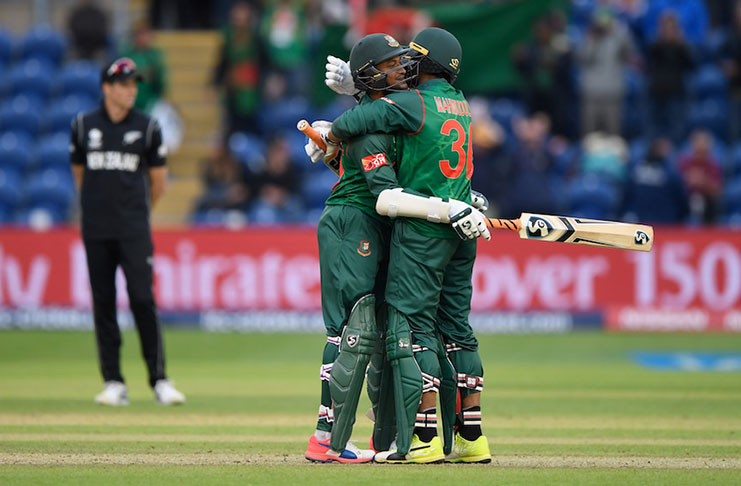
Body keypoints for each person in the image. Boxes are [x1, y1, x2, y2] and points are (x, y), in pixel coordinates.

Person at [304, 33, 489, 464]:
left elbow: (420, 169)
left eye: (402, 62)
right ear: (371, 75)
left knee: (388, 332)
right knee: (355, 327)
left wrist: (462, 195)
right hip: (355, 220)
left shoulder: (398, 115)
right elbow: (383, 191)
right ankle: (325, 437)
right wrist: (448, 207)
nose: (401, 69)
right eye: (389, 65)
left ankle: (385, 439)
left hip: (386, 224)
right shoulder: (378, 120)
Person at [69, 57, 185, 407]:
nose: (132, 90)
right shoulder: (82, 125)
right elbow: (79, 174)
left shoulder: (148, 127)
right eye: (125, 84)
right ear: (107, 88)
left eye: (135, 83)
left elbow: (159, 183)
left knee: (141, 299)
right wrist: (99, 207)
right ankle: (113, 382)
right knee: (103, 303)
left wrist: (134, 212)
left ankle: (159, 379)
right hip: (96, 229)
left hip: (134, 228)